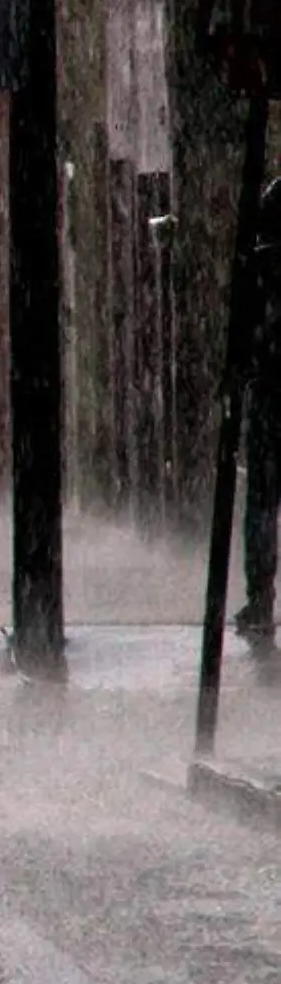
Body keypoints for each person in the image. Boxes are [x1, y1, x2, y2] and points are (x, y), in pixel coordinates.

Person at [236, 177, 281, 638]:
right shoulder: (260, 268)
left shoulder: (259, 267)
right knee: (262, 506)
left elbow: (243, 336)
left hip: (268, 396)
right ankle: (259, 599)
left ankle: (260, 598)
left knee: (262, 506)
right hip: (267, 393)